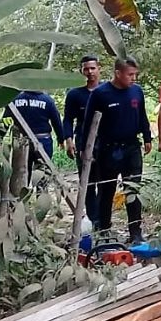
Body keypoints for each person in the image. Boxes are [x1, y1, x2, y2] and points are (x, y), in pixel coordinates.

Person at [83, 57, 152, 244]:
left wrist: (147, 137)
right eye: (130, 74)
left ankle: (135, 232)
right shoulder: (100, 94)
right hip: (108, 149)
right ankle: (104, 230)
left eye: (135, 74)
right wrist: (85, 149)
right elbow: (88, 124)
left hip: (132, 148)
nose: (133, 78)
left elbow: (143, 116)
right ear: (118, 73)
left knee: (133, 190)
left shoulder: (137, 92)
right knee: (106, 191)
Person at [63, 55, 100, 224]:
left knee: (106, 180)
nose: (90, 72)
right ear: (81, 71)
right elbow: (68, 119)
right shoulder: (74, 94)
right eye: (86, 69)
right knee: (87, 181)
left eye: (93, 68)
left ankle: (103, 219)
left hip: (105, 141)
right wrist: (68, 140)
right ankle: (93, 218)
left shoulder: (106, 91)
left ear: (99, 69)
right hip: (83, 141)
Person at [5, 89, 65, 178]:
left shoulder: (15, 99)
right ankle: (41, 191)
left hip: (21, 142)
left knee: (22, 174)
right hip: (43, 141)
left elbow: (5, 121)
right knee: (43, 172)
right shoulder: (47, 100)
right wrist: (61, 139)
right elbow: (57, 122)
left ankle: (22, 191)